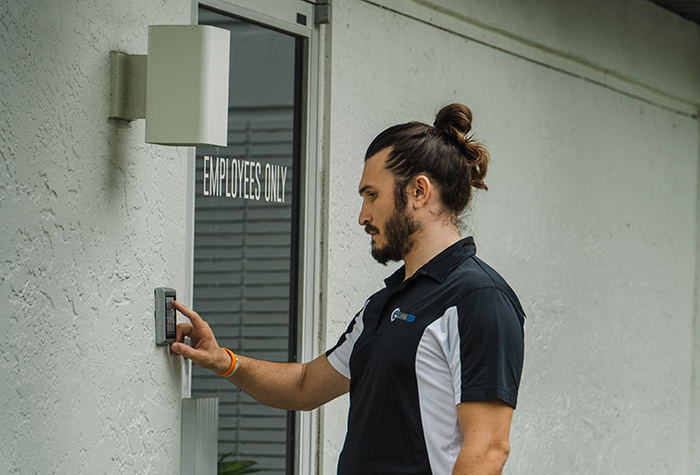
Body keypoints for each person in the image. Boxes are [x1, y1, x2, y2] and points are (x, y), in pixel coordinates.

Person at [171, 103, 525, 475]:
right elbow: (305, 386)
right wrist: (223, 360)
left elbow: (488, 451)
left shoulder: (479, 299)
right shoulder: (385, 305)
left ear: (419, 191)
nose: (362, 216)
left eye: (372, 195)